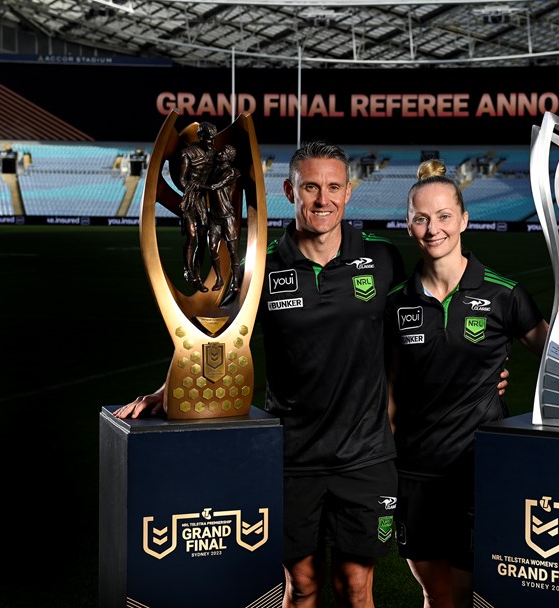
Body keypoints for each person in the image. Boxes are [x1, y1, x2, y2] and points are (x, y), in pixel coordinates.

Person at [117, 141, 408, 608]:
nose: (323, 199)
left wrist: (484, 366)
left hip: (365, 457)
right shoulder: (260, 267)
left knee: (355, 588)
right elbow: (221, 341)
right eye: (310, 187)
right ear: (290, 191)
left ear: (348, 191)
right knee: (302, 586)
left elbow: (410, 331)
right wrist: (166, 388)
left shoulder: (383, 257)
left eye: (334, 187)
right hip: (290, 456)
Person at [385, 159, 559, 608]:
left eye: (443, 216)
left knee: (469, 593)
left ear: (464, 219)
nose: (433, 228)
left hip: (480, 468)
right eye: (421, 218)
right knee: (434, 594)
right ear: (408, 225)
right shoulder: (395, 302)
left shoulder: (503, 294)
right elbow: (389, 391)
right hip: (415, 472)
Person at [178, 121, 218, 292]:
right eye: (208, 139)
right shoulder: (187, 153)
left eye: (213, 139)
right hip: (190, 199)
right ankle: (187, 270)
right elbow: (182, 179)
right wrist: (193, 187)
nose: (211, 142)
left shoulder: (214, 154)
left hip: (202, 200)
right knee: (191, 235)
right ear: (201, 136)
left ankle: (197, 276)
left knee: (202, 239)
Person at [205, 144, 242, 292]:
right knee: (212, 248)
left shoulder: (232, 172)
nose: (220, 154)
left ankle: (235, 280)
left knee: (232, 251)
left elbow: (216, 186)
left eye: (223, 152)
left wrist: (198, 185)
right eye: (220, 151)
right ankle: (219, 279)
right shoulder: (214, 170)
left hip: (227, 216)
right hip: (214, 216)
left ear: (229, 157)